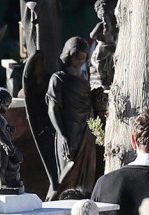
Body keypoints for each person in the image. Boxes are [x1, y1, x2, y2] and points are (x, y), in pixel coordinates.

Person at [46, 36, 97, 199]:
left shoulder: (84, 80)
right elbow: (52, 110)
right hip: (68, 133)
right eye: (78, 57)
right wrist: (62, 135)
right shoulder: (58, 78)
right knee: (67, 175)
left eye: (84, 57)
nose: (81, 60)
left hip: (85, 133)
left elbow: (89, 107)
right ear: (69, 55)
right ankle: (55, 203)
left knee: (86, 177)